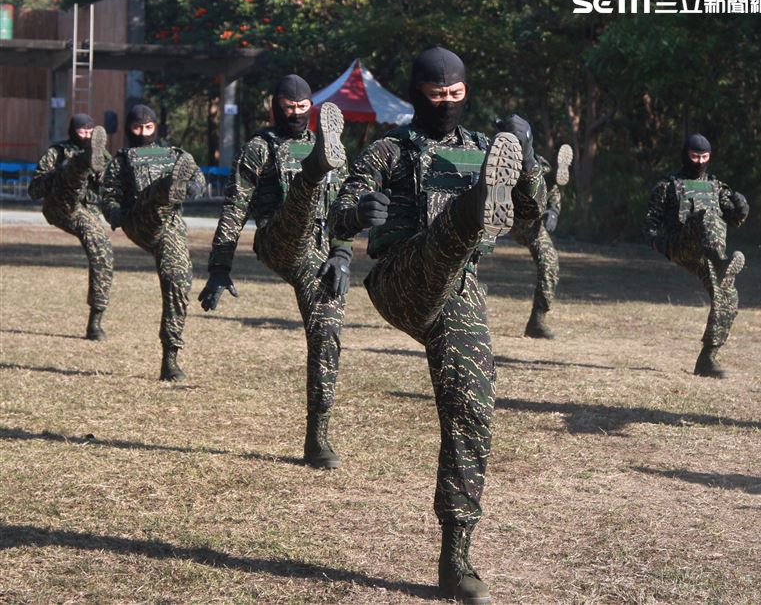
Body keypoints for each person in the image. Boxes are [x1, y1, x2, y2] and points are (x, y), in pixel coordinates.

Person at [326, 46, 545, 604]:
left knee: (472, 406)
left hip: (458, 290)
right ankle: (476, 205)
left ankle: (457, 558)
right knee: (450, 233)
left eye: (456, 94)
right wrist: (358, 214)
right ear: (416, 94)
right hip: (401, 277)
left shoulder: (481, 147)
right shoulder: (390, 150)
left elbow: (530, 217)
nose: (446, 103)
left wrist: (526, 159)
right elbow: (338, 212)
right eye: (435, 94)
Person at [198, 76, 348, 469]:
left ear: (312, 106)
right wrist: (219, 267)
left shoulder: (332, 145)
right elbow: (235, 206)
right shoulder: (259, 147)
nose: (295, 113)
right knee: (301, 200)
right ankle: (314, 169)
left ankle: (318, 438)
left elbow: (343, 206)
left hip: (318, 254)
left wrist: (342, 253)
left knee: (327, 332)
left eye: (302, 107)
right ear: (274, 106)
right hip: (276, 237)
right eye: (288, 106)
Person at [101, 104, 204, 381]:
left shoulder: (174, 155)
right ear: (128, 128)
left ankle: (170, 359)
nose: (143, 133)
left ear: (156, 127)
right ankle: (167, 186)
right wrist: (115, 214)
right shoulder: (122, 160)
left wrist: (192, 186)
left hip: (170, 226)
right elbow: (109, 196)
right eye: (137, 128)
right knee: (156, 194)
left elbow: (199, 181)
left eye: (148, 128)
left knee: (178, 280)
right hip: (138, 219)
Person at [644, 133, 749, 378]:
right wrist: (663, 246)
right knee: (707, 216)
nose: (700, 162)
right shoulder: (667, 186)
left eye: (704, 157)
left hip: (708, 255)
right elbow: (649, 226)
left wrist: (742, 209)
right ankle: (720, 261)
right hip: (682, 245)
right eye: (694, 157)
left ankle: (707, 359)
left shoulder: (716, 186)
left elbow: (732, 219)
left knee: (728, 296)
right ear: (685, 155)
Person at [28, 114, 113, 340]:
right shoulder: (57, 152)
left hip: (86, 213)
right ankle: (81, 162)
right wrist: (60, 171)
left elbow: (115, 190)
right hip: (60, 206)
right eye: (82, 132)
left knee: (103, 252)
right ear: (72, 131)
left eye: (90, 132)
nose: (86, 135)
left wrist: (104, 178)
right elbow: (34, 190)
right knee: (73, 168)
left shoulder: (105, 157)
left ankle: (95, 322)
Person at [510, 143, 572, 338]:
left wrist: (553, 212)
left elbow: (554, 199)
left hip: (531, 224)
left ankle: (537, 322)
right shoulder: (521, 162)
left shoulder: (546, 175)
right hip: (504, 215)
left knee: (549, 262)